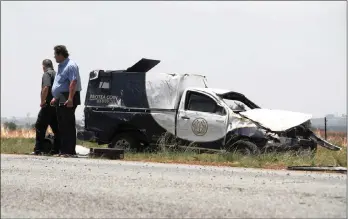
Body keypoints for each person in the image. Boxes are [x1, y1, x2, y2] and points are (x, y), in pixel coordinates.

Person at [50, 45, 82, 157]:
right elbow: (60, 82)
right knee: (62, 125)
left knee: (67, 124)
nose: (54, 57)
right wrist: (56, 97)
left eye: (55, 55)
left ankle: (69, 151)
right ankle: (63, 150)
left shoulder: (70, 65)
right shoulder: (61, 66)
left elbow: (73, 82)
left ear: (60, 54)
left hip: (69, 96)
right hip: (61, 96)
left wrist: (70, 98)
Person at [32, 59, 61, 155]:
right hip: (57, 105)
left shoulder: (47, 74)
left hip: (48, 105)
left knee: (40, 126)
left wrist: (42, 101)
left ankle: (38, 150)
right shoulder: (57, 74)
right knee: (57, 129)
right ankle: (56, 150)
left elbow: (46, 87)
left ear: (43, 66)